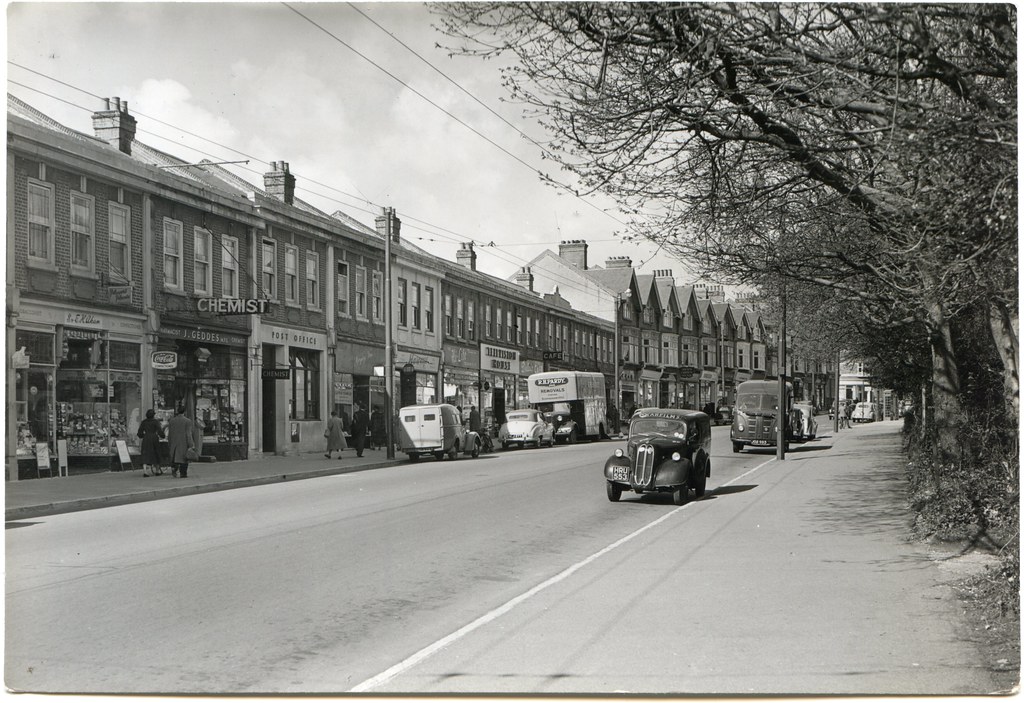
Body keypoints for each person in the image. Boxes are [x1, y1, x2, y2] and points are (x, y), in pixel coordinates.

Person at [166, 404, 195, 478]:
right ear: (184, 412)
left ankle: (174, 469)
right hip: (183, 442)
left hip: (174, 442)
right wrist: (191, 444)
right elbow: (188, 434)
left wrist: (169, 442)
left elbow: (170, 433)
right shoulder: (187, 421)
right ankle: (183, 473)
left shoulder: (172, 421)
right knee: (184, 459)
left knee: (175, 457)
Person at [136, 409, 165, 477]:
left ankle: (145, 471)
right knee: (156, 453)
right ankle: (157, 470)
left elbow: (139, 432)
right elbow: (159, 430)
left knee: (145, 454)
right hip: (154, 438)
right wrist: (162, 436)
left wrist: (143, 436)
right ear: (153, 415)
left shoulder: (144, 422)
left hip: (146, 438)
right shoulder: (155, 422)